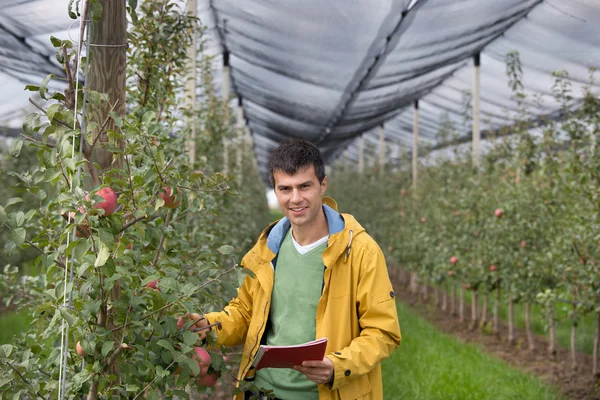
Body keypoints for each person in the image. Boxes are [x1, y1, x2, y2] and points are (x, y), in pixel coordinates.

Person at [184, 139, 401, 400]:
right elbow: (244, 313)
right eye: (285, 189)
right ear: (275, 191)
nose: (295, 198)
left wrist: (336, 366)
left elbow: (383, 331)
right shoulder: (266, 251)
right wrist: (209, 325)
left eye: (304, 186)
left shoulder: (360, 251)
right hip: (263, 391)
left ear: (323, 185)